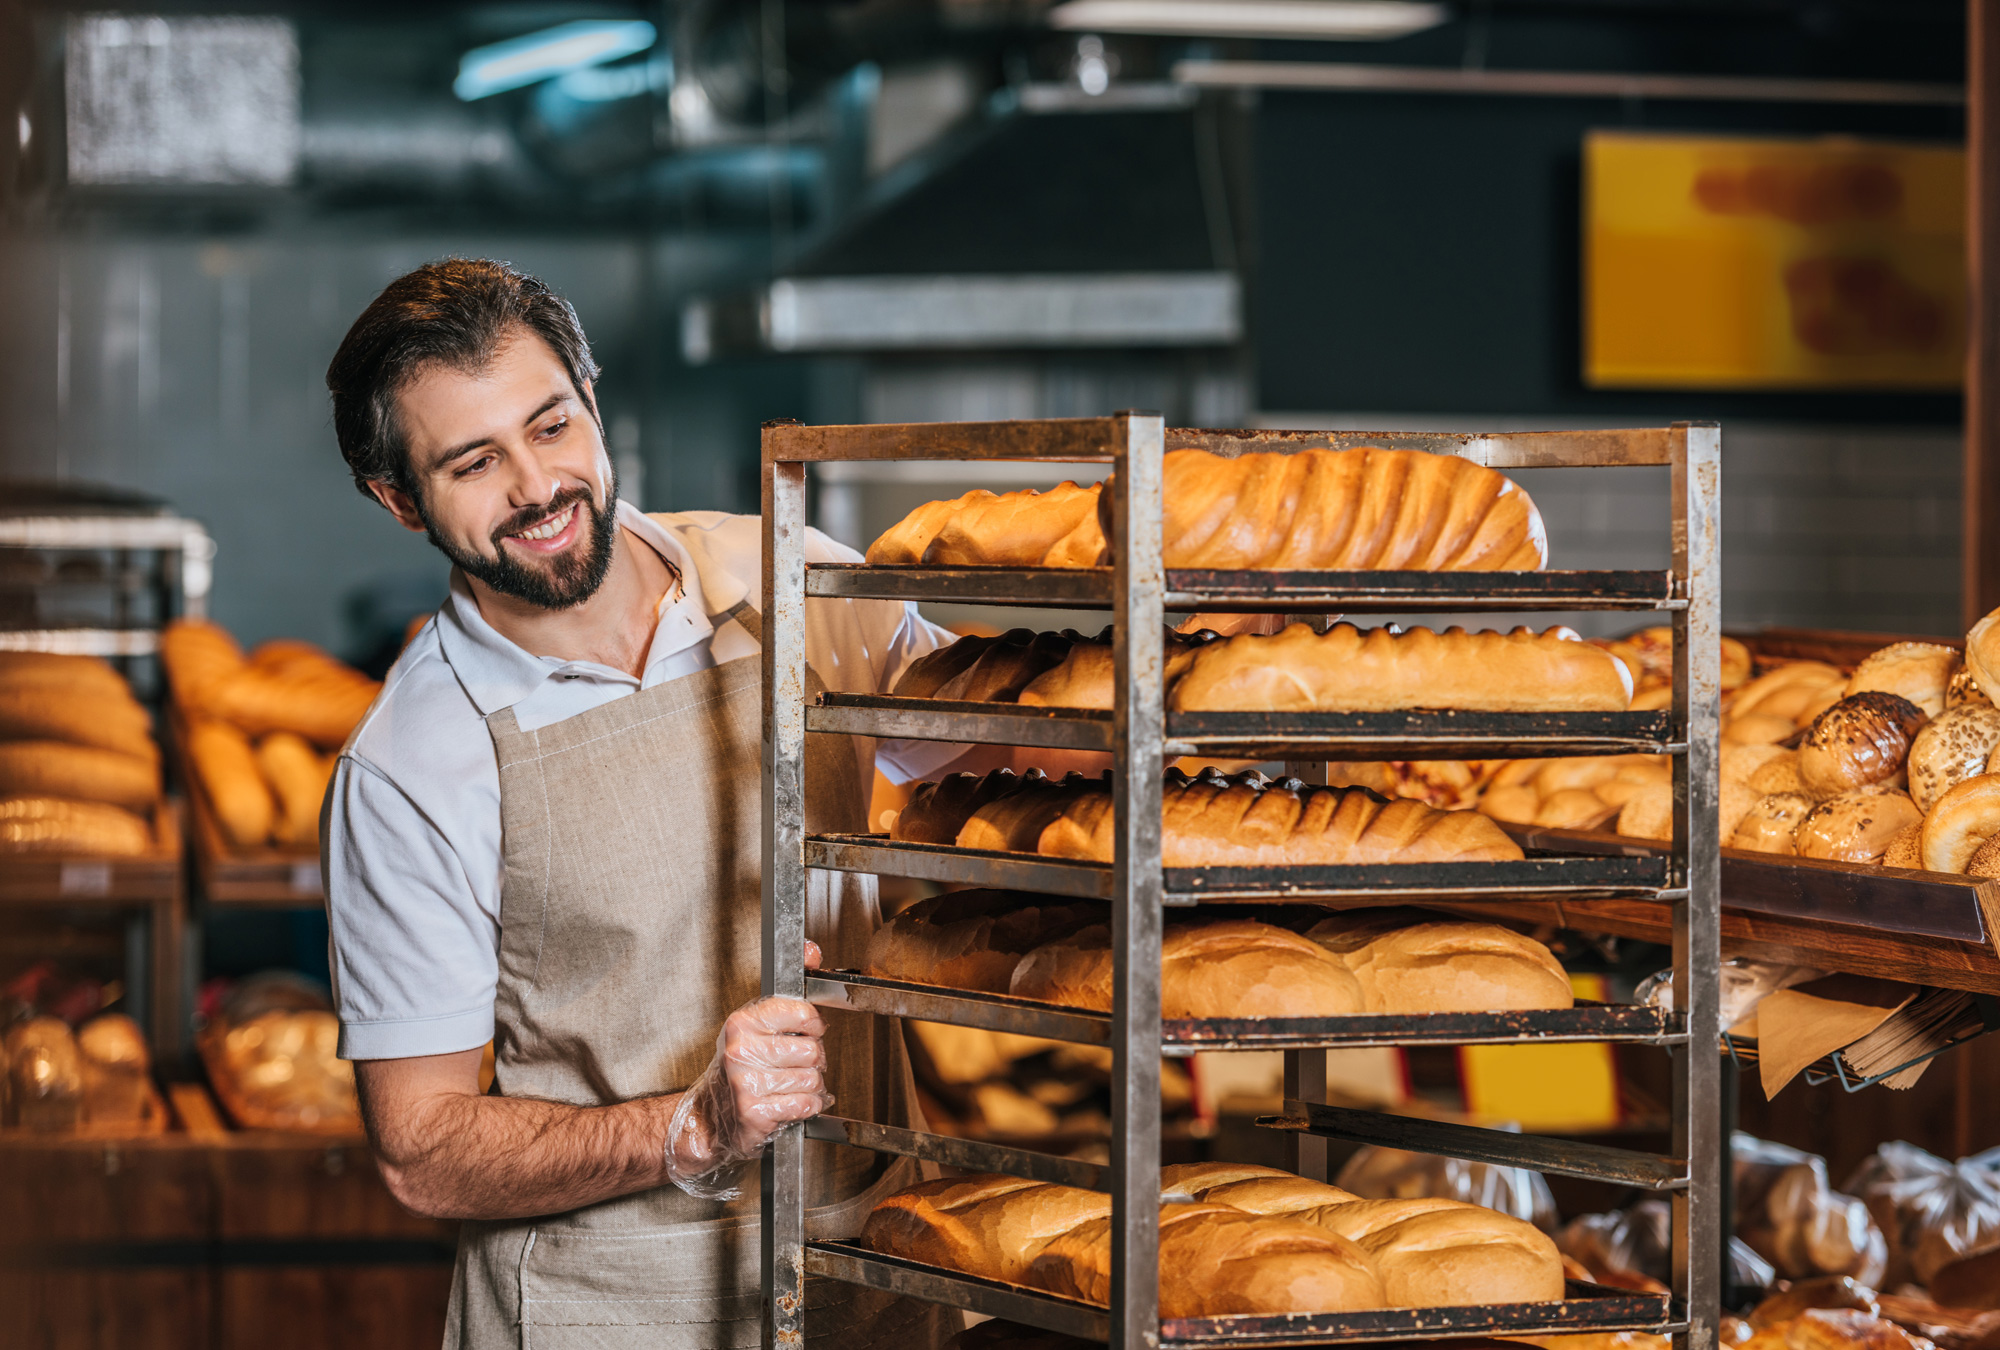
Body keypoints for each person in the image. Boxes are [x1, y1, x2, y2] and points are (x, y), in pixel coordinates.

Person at [320, 258, 1011, 1348]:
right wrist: (689, 1129)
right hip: (605, 1314)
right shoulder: (414, 764)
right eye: (473, 462)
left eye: (551, 427)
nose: (536, 487)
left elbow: (1011, 745)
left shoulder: (783, 580)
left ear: (593, 401)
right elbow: (422, 1146)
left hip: (864, 1275)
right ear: (399, 500)